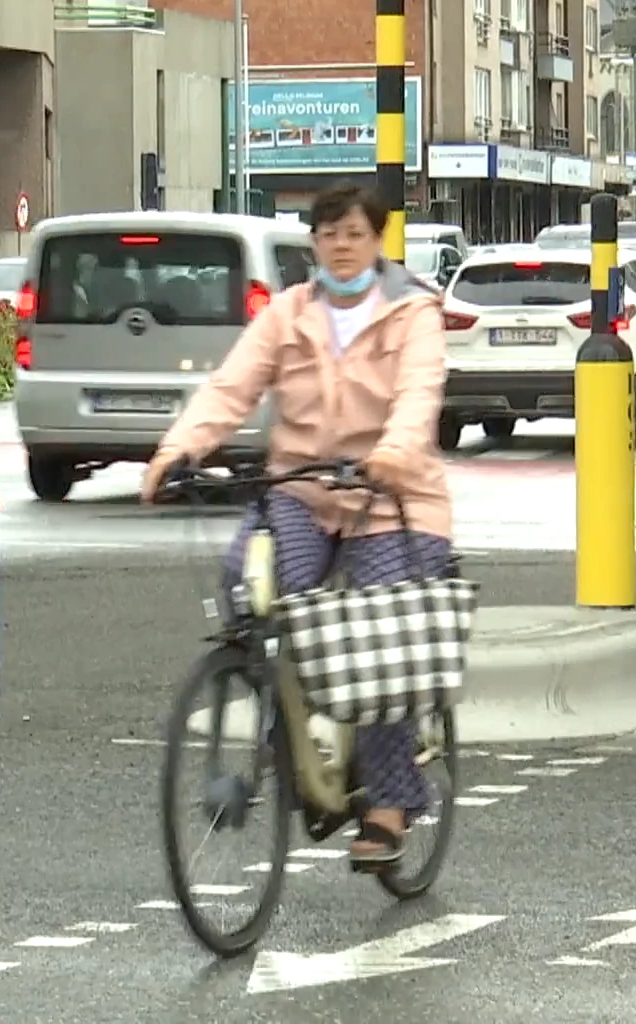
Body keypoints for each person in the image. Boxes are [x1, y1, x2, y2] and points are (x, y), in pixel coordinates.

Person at [139, 184, 454, 866]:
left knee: (377, 641)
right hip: (306, 490)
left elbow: (418, 393)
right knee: (248, 589)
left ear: (377, 240)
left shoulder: (412, 312)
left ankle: (389, 805)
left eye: (354, 233)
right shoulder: (288, 313)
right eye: (328, 233)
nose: (341, 246)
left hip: (390, 495)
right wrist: (178, 452)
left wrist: (393, 454)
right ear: (312, 243)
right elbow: (231, 387)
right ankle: (300, 740)